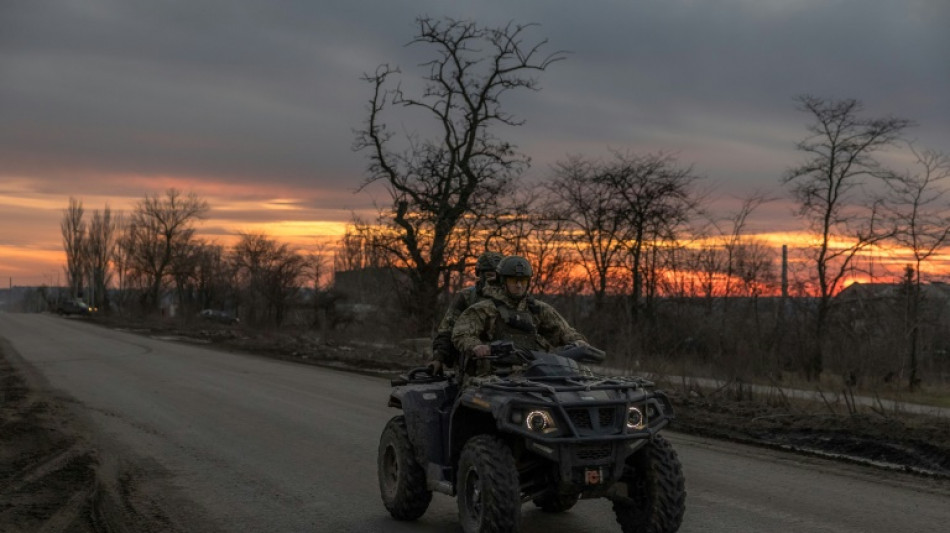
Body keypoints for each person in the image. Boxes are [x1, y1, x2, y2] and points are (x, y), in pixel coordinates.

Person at [452, 255, 588, 377]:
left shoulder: (538, 309)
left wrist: (577, 342)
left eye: (522, 281)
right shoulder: (485, 308)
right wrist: (476, 346)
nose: (518, 286)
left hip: (533, 376)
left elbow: (565, 332)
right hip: (490, 378)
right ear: (503, 281)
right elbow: (461, 333)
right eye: (513, 281)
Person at [427, 251, 504, 375]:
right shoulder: (467, 297)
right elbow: (448, 329)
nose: (494, 281)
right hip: (473, 364)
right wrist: (438, 358)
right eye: (490, 276)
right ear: (480, 275)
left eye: (498, 277)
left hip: (509, 364)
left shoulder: (513, 299)